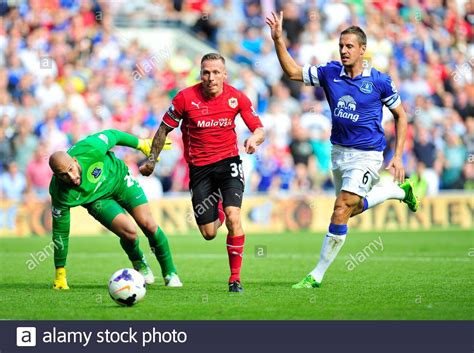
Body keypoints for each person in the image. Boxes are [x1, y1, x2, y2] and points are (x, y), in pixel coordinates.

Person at [266, 13, 419, 288]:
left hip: (368, 154)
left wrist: (397, 156)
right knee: (351, 207)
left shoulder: (380, 81)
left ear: (363, 49)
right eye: (341, 46)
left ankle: (316, 275)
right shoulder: (329, 73)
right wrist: (278, 39)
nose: (344, 50)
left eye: (349, 46)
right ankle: (398, 191)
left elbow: (402, 116)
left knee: (341, 208)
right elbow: (291, 71)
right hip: (338, 153)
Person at [140, 53, 265, 292]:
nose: (211, 77)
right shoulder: (185, 98)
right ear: (200, 74)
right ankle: (218, 206)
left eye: (216, 72)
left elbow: (258, 128)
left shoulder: (236, 98)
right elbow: (163, 130)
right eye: (206, 72)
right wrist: (152, 160)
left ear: (224, 75)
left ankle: (235, 279)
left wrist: (254, 139)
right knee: (209, 233)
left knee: (234, 217)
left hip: (229, 163)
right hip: (200, 170)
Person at [48, 129, 182, 290]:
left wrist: (141, 144)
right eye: (63, 175)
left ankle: (170, 273)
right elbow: (60, 234)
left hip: (120, 181)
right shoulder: (59, 193)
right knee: (129, 233)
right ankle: (139, 261)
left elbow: (114, 135)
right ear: (56, 176)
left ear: (75, 161)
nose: (71, 177)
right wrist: (60, 274)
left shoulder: (91, 147)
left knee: (148, 225)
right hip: (98, 200)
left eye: (71, 170)